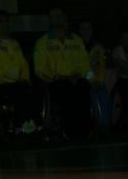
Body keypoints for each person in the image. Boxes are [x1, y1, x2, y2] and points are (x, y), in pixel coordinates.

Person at [34, 8, 95, 137]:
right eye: (53, 16)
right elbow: (40, 68)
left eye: (59, 15)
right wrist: (56, 76)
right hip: (56, 81)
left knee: (84, 87)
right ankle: (70, 131)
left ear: (65, 17)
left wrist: (79, 75)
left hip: (76, 79)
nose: (56, 18)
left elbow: (85, 63)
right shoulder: (43, 42)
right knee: (66, 91)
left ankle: (85, 130)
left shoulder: (76, 40)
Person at [0, 11, 41, 134]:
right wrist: (14, 80)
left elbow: (23, 64)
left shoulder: (14, 44)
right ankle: (28, 123)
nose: (4, 24)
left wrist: (24, 78)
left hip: (15, 84)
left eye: (6, 21)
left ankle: (29, 122)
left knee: (32, 88)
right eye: (0, 21)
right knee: (20, 90)